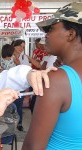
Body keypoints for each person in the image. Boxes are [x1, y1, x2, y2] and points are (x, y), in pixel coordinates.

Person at [22, 2, 82, 150]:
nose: (46, 35)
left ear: (71, 34)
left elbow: (33, 147)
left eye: (51, 29)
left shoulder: (56, 80)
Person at [11, 39, 30, 131]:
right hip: (9, 85)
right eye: (19, 46)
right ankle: (9, 124)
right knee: (9, 105)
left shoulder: (24, 58)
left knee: (19, 105)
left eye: (23, 47)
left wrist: (19, 64)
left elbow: (26, 71)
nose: (21, 49)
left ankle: (19, 123)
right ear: (14, 46)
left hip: (20, 85)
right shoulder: (9, 55)